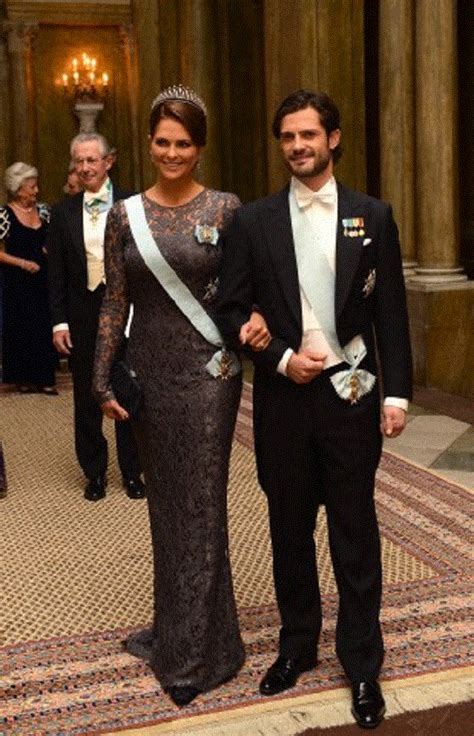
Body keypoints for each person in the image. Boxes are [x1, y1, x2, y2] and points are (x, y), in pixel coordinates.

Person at [216, 90, 412, 729]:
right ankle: (297, 647)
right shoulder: (253, 222)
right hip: (284, 401)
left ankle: (362, 665)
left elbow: (391, 315)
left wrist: (396, 392)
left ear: (333, 139)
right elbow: (232, 306)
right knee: (289, 531)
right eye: (288, 137)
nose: (298, 146)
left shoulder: (372, 215)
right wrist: (276, 357)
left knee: (355, 534)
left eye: (309, 134)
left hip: (351, 397)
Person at [92, 85, 269, 707]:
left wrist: (256, 322)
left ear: (200, 148)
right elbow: (115, 299)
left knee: (201, 505)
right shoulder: (124, 214)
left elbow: (247, 287)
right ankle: (180, 628)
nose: (172, 153)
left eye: (184, 144)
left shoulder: (226, 208)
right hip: (150, 376)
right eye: (163, 142)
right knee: (166, 506)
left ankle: (193, 657)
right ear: (149, 143)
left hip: (208, 376)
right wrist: (100, 379)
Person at [47, 133, 144, 502]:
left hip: (129, 310)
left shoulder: (134, 203)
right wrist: (59, 322)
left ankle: (133, 472)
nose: (85, 168)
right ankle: (95, 472)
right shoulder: (62, 213)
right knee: (88, 395)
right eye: (79, 161)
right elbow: (55, 273)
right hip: (83, 313)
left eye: (92, 160)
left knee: (129, 388)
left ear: (108, 162)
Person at [0, 162, 57, 393]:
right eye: (31, 187)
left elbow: (55, 238)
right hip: (16, 281)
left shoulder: (44, 211)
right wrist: (22, 263)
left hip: (43, 279)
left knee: (44, 325)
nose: (36, 191)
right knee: (21, 326)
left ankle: (44, 377)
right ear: (18, 189)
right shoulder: (4, 215)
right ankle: (23, 378)